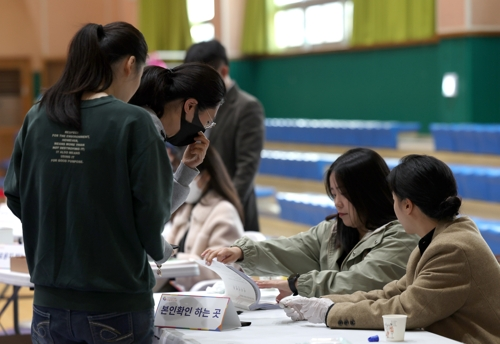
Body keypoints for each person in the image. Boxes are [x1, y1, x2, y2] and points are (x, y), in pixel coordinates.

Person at [4, 22, 170, 342]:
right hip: (117, 303)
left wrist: (60, 229)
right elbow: (152, 214)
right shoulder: (134, 122)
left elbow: (15, 195)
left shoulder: (37, 116)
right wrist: (159, 250)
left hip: (47, 305)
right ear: (130, 64)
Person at [280, 155, 500, 344]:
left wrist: (328, 312)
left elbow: (406, 310)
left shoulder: (452, 249)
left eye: (394, 200)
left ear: (407, 205)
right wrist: (325, 302)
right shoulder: (436, 240)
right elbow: (390, 292)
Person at [202, 148, 419, 300]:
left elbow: (360, 282)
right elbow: (291, 248)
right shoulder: (334, 230)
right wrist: (241, 252)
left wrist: (298, 284)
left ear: (368, 193)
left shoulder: (401, 236)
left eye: (344, 193)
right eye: (333, 194)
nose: (337, 202)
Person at [184, 39, 265, 232]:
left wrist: (222, 210)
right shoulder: (193, 105)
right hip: (197, 209)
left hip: (232, 214)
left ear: (224, 72)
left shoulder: (247, 107)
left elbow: (246, 170)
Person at [129, 64, 225, 213]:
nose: (203, 131)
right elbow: (153, 214)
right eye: (208, 122)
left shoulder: (142, 119)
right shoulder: (149, 129)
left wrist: (186, 169)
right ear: (190, 106)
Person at [165, 145, 244, 290]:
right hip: (177, 289)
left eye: (188, 174)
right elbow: (167, 251)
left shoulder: (224, 211)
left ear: (206, 176)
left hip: (204, 294)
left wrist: (176, 262)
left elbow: (221, 270)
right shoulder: (186, 209)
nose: (181, 180)